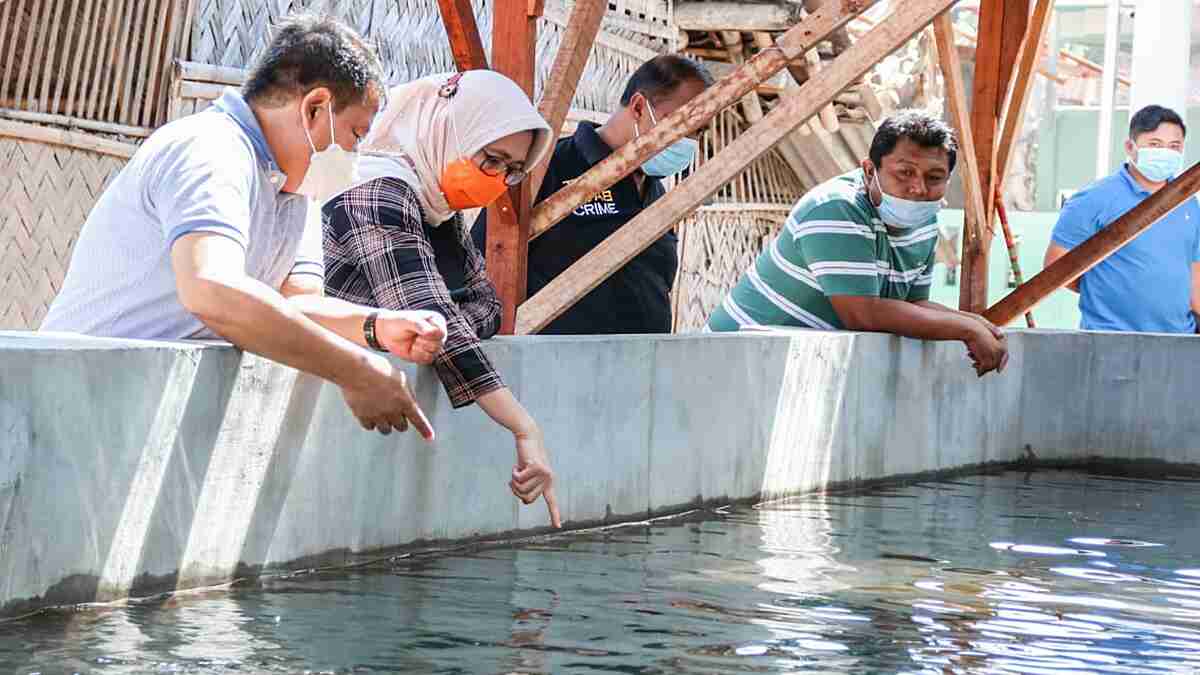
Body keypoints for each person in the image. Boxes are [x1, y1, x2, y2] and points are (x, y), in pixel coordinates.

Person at [40, 15, 448, 438]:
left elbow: (298, 305)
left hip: (137, 415)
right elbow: (211, 290)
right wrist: (355, 371)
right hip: (70, 401)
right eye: (356, 134)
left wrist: (376, 326)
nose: (355, 153)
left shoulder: (297, 189)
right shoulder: (210, 150)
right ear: (314, 108)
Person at [322, 71, 561, 526]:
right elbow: (430, 311)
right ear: (447, 130)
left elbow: (487, 306)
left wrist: (439, 325)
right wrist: (524, 427)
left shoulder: (436, 207)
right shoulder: (377, 192)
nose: (498, 179)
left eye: (512, 170)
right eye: (491, 158)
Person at [707, 110, 1008, 377]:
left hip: (792, 367)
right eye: (904, 172)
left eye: (934, 177)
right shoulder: (836, 208)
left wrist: (977, 324)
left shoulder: (924, 219)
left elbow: (913, 305)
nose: (918, 188)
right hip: (729, 365)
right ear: (869, 170)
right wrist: (966, 329)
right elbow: (863, 313)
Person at [473, 55, 714, 334]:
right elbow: (482, 264)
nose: (689, 139)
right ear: (638, 107)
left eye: (698, 131)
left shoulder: (656, 194)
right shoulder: (547, 169)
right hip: (552, 369)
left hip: (642, 368)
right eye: (682, 122)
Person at [1045, 104, 1200, 333]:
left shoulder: (1188, 202)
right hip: (1109, 337)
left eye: (1174, 146)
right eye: (1155, 144)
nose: (1165, 152)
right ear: (1130, 147)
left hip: (1178, 336)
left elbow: (1194, 273)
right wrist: (1107, 292)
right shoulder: (1093, 199)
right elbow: (1055, 269)